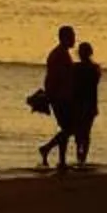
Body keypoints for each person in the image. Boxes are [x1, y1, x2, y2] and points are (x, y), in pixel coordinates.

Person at [36, 26, 79, 168]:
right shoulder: (58, 55)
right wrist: (51, 96)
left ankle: (61, 159)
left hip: (63, 96)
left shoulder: (62, 53)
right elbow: (53, 78)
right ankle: (46, 148)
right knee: (70, 128)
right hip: (60, 98)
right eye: (71, 37)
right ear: (64, 38)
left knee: (65, 128)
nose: (74, 39)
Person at [63, 39, 103, 166]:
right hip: (90, 103)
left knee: (79, 133)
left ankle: (80, 157)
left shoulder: (76, 68)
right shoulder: (95, 69)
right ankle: (82, 158)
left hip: (78, 103)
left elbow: (72, 86)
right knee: (86, 133)